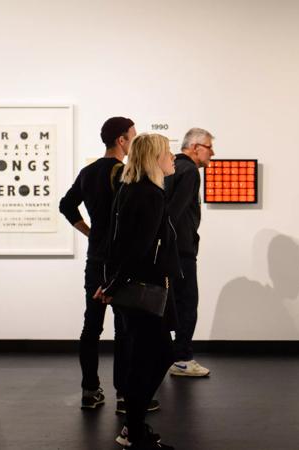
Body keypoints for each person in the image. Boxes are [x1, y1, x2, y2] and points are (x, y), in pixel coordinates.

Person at [95, 133, 179, 450]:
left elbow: (116, 243)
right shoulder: (149, 195)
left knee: (143, 357)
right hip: (140, 289)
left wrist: (110, 283)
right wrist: (112, 285)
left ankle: (133, 427)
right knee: (157, 356)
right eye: (168, 152)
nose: (172, 157)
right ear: (154, 158)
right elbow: (137, 249)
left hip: (130, 289)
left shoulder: (130, 190)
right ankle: (133, 430)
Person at [59, 117, 137, 412]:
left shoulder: (88, 172)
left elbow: (66, 205)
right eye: (133, 136)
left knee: (91, 327)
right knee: (124, 328)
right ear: (121, 139)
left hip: (96, 259)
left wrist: (91, 233)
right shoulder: (124, 173)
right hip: (119, 261)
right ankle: (124, 394)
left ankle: (90, 390)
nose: (133, 140)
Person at [165, 128, 214, 377]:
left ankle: (165, 357)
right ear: (195, 147)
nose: (212, 153)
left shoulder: (172, 167)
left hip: (170, 250)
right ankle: (182, 358)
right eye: (209, 147)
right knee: (187, 304)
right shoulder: (190, 171)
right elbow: (173, 213)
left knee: (168, 305)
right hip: (180, 251)